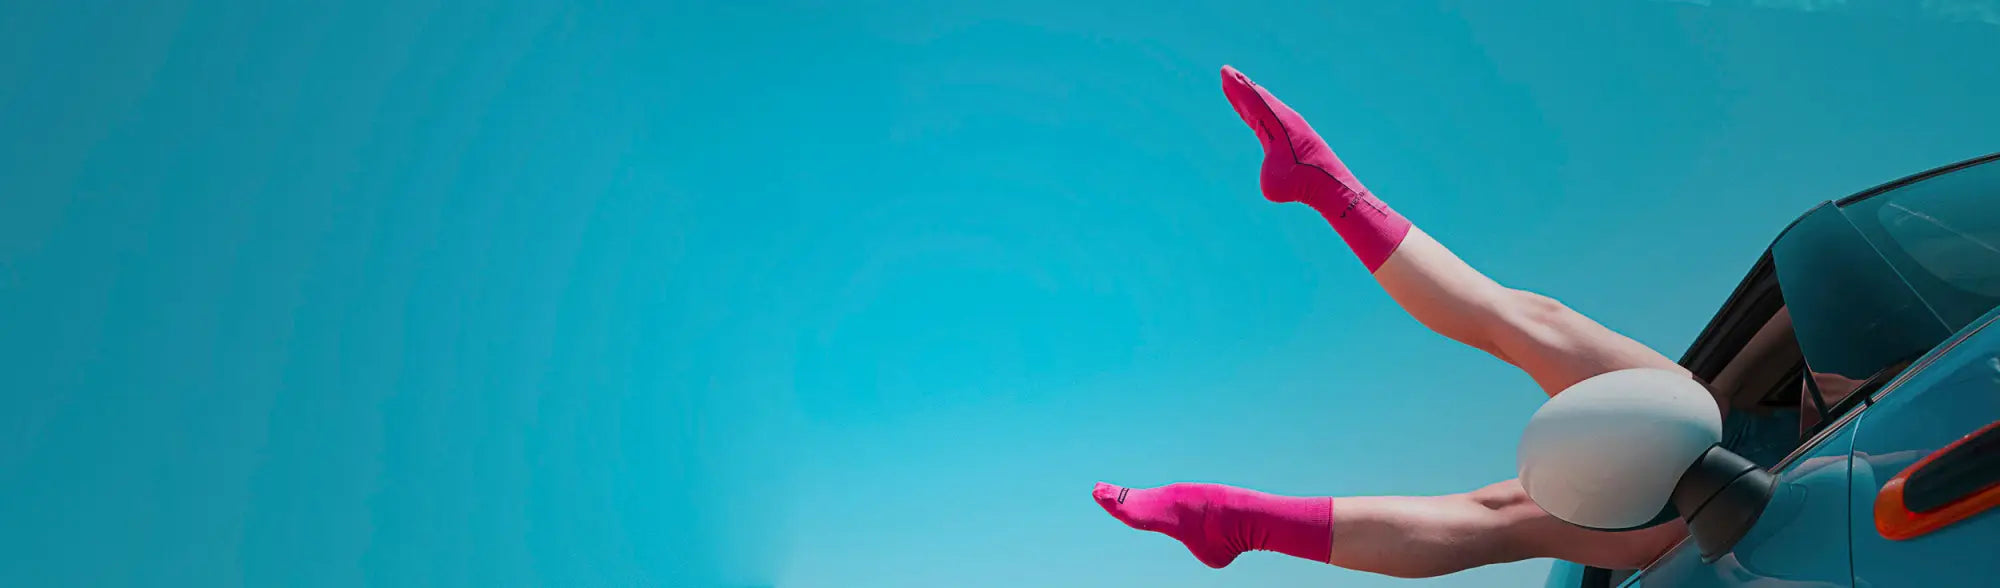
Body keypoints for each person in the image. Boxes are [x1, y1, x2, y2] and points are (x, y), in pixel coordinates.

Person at [1089, 66, 1743, 579]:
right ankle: (1234, 520)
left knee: (1523, 456)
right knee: (1505, 506)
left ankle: (1233, 520)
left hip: (1753, 496)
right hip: (1748, 504)